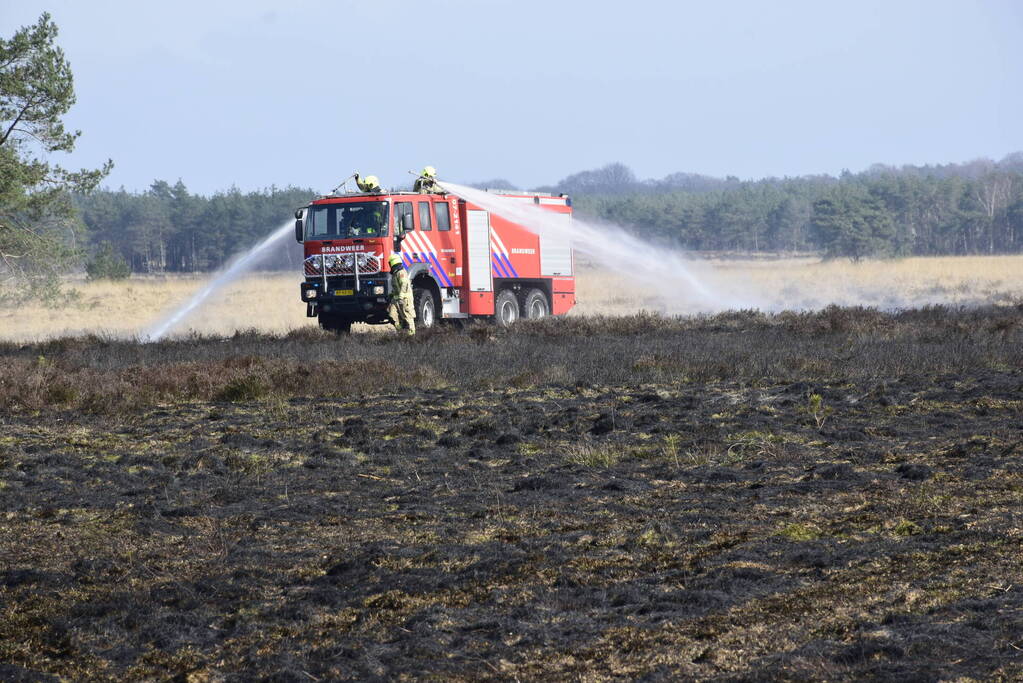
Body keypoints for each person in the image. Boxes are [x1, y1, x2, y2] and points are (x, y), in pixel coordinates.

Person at [387, 253, 415, 335]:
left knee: (407, 315)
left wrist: (402, 294)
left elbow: (404, 284)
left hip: (405, 299)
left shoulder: (401, 272)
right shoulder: (395, 274)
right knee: (392, 314)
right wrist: (391, 295)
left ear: (393, 263)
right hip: (396, 299)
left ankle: (411, 333)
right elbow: (396, 287)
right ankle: (400, 330)